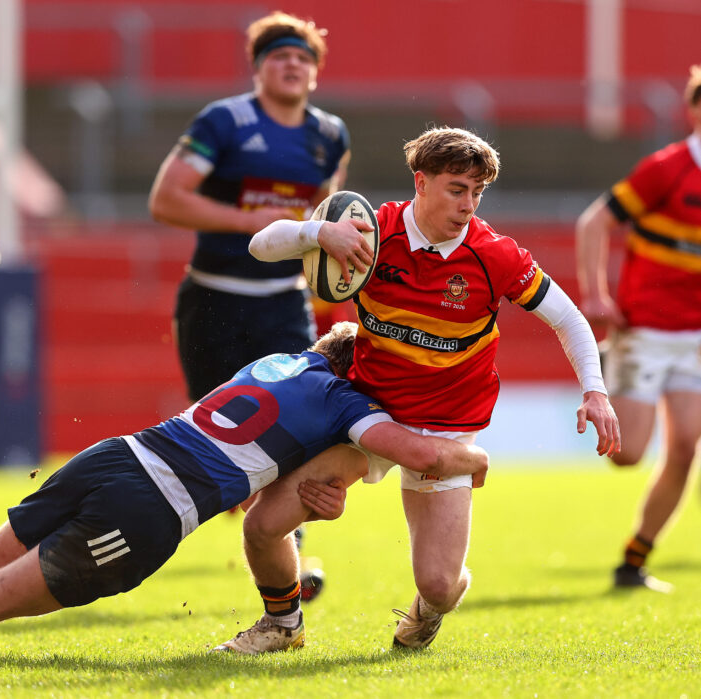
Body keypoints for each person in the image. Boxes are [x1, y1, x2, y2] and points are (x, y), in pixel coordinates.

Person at [0, 322, 489, 660]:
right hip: (149, 507)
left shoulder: (277, 360)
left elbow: (270, 455)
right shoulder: (348, 405)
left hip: (119, 452)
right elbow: (416, 449)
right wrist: (470, 452)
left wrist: (313, 488)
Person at [218, 126, 621, 654]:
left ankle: (430, 610)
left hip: (448, 428)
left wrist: (595, 391)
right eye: (457, 189)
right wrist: (318, 235)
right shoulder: (371, 229)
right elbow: (260, 245)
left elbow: (568, 320)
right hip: (365, 413)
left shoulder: (493, 255)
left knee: (438, 586)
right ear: (421, 182)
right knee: (264, 524)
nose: (469, 204)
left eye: (478, 192)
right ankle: (281, 625)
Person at [147, 10, 350, 599]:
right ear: (259, 68)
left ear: (315, 73)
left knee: (297, 430)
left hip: (283, 304)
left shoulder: (329, 133)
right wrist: (247, 220)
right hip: (212, 300)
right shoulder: (226, 121)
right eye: (280, 56)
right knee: (222, 437)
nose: (292, 65)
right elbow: (166, 200)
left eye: (303, 58)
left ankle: (296, 561)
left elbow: (327, 216)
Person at [575, 65, 701, 593]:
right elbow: (593, 222)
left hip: (694, 338)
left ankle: (634, 560)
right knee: (627, 455)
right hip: (645, 328)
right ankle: (608, 364)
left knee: (687, 444)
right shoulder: (667, 168)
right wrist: (596, 294)